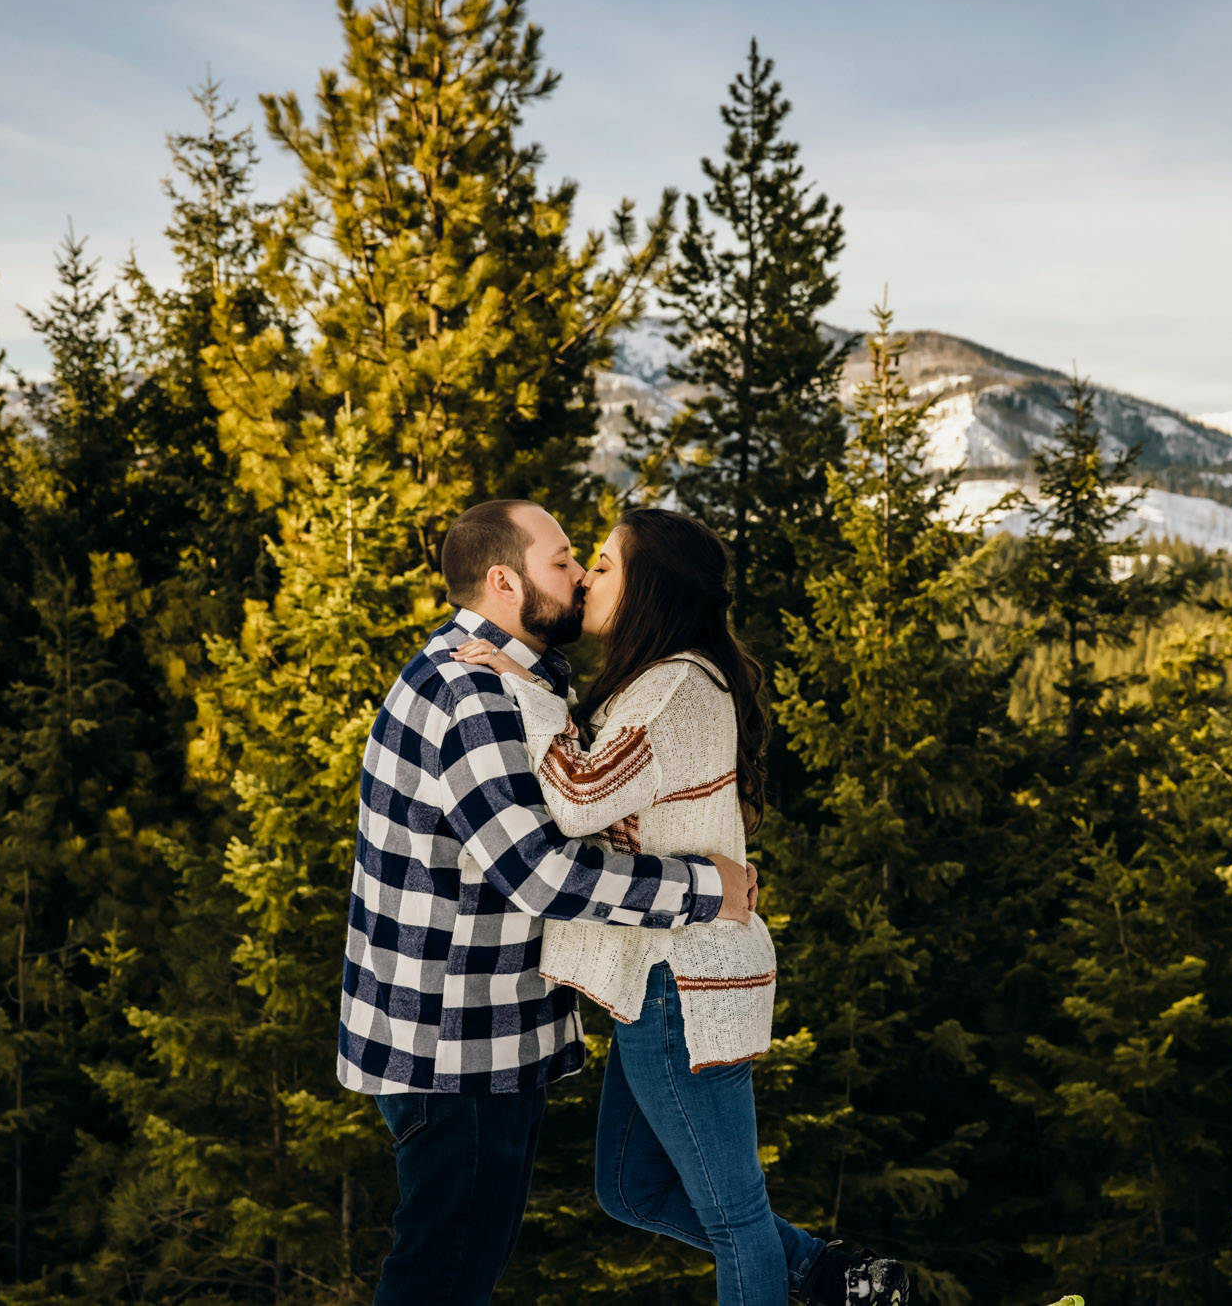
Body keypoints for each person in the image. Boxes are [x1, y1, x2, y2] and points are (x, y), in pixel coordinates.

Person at [453, 507, 912, 1306]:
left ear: (649, 587)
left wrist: (520, 690)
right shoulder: (661, 680)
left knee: (733, 1219)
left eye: (602, 563)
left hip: (682, 982)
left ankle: (829, 1278)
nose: (586, 577)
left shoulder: (672, 687)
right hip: (662, 979)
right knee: (628, 1188)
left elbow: (577, 795)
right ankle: (836, 1277)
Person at [337, 499, 756, 1306]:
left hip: (478, 1035)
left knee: (457, 1265)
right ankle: (809, 1270)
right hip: (454, 1048)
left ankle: (806, 1266)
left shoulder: (523, 676)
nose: (580, 575)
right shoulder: (474, 694)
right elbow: (540, 874)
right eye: (563, 560)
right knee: (443, 1276)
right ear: (504, 580)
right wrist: (709, 889)